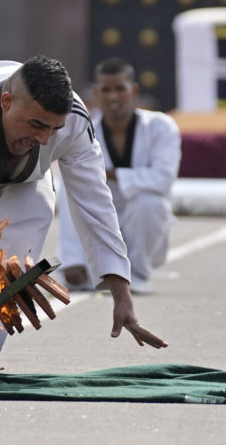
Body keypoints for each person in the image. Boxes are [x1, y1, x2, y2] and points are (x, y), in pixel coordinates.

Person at [0, 56, 168, 377]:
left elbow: (94, 203)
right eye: (37, 125)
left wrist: (121, 291)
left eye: (53, 129)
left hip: (21, 177)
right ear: (7, 102)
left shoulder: (75, 123)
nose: (44, 140)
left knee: (23, 242)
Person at [58, 57, 181, 293]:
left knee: (151, 202)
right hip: (101, 229)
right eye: (106, 90)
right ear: (96, 93)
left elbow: (164, 179)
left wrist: (112, 174)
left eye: (120, 89)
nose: (113, 97)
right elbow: (71, 194)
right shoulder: (83, 130)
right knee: (69, 183)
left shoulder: (161, 127)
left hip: (145, 232)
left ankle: (139, 275)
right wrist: (71, 259)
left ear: (133, 90)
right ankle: (82, 265)